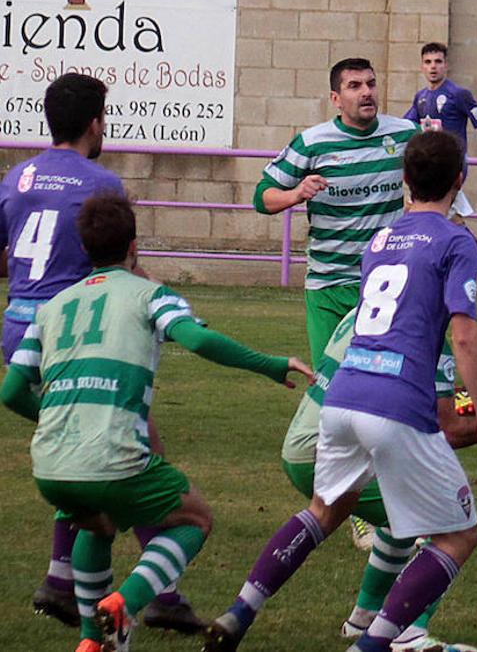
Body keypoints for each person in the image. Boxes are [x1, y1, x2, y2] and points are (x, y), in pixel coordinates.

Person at [204, 131, 477, 652]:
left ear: (403, 182)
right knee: (458, 535)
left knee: (325, 512)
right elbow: (463, 333)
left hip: (344, 395)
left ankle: (239, 611)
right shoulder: (457, 241)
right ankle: (371, 645)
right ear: (459, 181)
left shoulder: (381, 239)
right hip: (396, 403)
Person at [0, 192, 312, 652]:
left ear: (84, 250)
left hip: (49, 464)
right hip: (115, 456)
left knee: (95, 525)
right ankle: (125, 601)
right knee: (194, 519)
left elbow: (10, 391)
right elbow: (198, 340)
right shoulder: (150, 295)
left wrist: (58, 416)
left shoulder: (52, 307)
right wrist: (268, 364)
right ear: (134, 246)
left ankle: (92, 641)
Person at [204, 306, 477, 652]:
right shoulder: (424, 321)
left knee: (350, 515)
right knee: (444, 524)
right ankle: (407, 635)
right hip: (339, 441)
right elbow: (448, 428)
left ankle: (258, 611)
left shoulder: (364, 307)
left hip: (310, 437)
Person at [0, 73, 202, 635]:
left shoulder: (16, 176)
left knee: (86, 447)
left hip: (21, 326)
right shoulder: (101, 183)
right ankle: (159, 590)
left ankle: (64, 578)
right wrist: (166, 305)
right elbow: (121, 266)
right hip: (77, 330)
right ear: (96, 122)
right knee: (130, 450)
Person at [253, 57, 418, 368]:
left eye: (370, 83)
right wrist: (295, 193)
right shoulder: (312, 144)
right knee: (330, 384)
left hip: (386, 282)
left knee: (390, 380)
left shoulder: (405, 133)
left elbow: (445, 165)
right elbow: (262, 197)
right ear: (335, 99)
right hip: (329, 286)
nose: (366, 92)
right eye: (354, 86)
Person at [404, 42, 477, 309]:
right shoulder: (421, 98)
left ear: (446, 65)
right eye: (428, 62)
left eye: (438, 62)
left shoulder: (457, 94)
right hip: (430, 169)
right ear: (421, 66)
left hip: (451, 168)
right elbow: (405, 125)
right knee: (449, 221)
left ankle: (463, 276)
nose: (433, 67)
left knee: (425, 215)